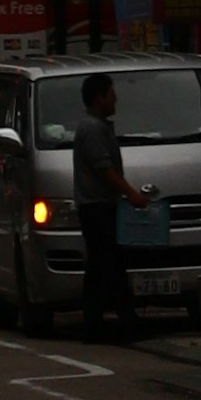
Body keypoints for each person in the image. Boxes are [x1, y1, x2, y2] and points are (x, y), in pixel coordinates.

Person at [76, 71, 134, 340]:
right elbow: (105, 171)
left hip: (97, 205)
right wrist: (132, 194)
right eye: (111, 95)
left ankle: (96, 322)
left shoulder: (94, 126)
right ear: (99, 98)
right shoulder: (93, 129)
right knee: (108, 263)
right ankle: (120, 321)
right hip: (97, 205)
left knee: (101, 265)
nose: (116, 100)